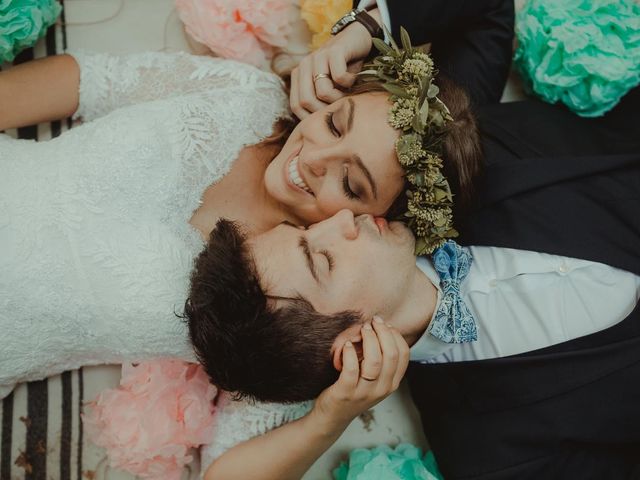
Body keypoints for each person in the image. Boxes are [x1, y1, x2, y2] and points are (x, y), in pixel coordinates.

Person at [0, 0, 507, 396]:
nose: (313, 157)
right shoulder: (248, 97)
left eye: (351, 185)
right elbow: (92, 80)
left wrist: (334, 413)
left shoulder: (301, 307)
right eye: (335, 123)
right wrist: (364, 29)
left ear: (377, 223)